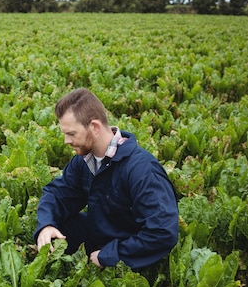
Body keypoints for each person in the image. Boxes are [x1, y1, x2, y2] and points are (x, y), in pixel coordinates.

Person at [34, 88, 179, 271]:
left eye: (71, 134)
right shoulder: (84, 160)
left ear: (94, 127)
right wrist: (46, 225)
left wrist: (108, 255)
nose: (66, 141)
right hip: (99, 236)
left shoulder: (142, 170)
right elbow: (58, 193)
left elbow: (163, 232)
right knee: (55, 225)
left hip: (127, 254)